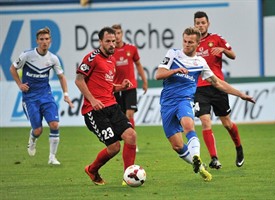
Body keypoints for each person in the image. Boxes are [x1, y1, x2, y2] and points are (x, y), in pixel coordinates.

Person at [155, 27, 255, 181]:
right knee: (177, 146)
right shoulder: (173, 54)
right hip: (167, 103)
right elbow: (158, 74)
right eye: (185, 41)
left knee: (189, 126)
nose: (187, 45)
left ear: (198, 43)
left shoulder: (200, 62)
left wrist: (241, 94)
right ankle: (200, 167)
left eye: (190, 42)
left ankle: (196, 156)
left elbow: (218, 83)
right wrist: (175, 71)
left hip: (185, 100)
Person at [75, 27, 137, 186]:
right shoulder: (92, 57)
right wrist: (92, 100)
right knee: (114, 147)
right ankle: (92, 169)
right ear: (100, 41)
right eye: (108, 41)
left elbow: (107, 86)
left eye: (114, 41)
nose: (112, 44)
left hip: (112, 106)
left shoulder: (111, 59)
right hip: (94, 111)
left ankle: (127, 177)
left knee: (131, 136)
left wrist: (120, 87)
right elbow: (79, 80)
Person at [9, 27, 74, 165]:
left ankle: (52, 157)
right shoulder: (27, 55)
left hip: (46, 96)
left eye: (47, 39)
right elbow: (12, 68)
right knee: (38, 130)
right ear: (37, 41)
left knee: (55, 124)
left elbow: (61, 77)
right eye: (41, 39)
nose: (44, 42)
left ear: (50, 41)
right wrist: (20, 84)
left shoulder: (53, 59)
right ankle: (32, 139)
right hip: (30, 98)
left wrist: (66, 94)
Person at [193, 11, 246, 169]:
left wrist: (222, 50)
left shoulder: (216, 39)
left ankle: (238, 147)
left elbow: (233, 55)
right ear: (194, 24)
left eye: (203, 23)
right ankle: (214, 158)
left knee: (227, 123)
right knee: (205, 121)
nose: (200, 25)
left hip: (218, 86)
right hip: (199, 89)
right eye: (198, 23)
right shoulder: (192, 43)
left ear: (208, 23)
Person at [111, 24, 148, 152]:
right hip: (116, 88)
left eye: (119, 33)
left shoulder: (131, 49)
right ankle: (121, 139)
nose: (117, 36)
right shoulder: (110, 51)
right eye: (114, 33)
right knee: (119, 115)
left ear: (122, 34)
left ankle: (133, 142)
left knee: (129, 113)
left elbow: (138, 65)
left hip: (130, 86)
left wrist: (144, 81)